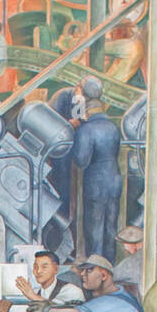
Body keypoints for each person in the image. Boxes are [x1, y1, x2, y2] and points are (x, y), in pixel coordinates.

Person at [69, 78, 123, 264]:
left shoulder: (87, 129)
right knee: (110, 229)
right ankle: (108, 269)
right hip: (114, 180)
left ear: (83, 97)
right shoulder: (113, 127)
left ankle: (95, 270)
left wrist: (77, 131)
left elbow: (81, 160)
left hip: (96, 184)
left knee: (94, 230)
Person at [113, 226, 157, 297]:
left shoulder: (133, 260)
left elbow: (114, 275)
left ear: (135, 244)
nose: (124, 249)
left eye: (125, 244)